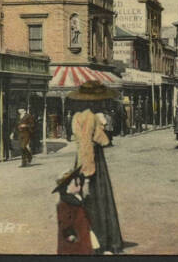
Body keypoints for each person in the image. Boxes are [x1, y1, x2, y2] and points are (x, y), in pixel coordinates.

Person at [69, 81, 124, 254]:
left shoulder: (78, 116)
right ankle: (101, 241)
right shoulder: (90, 117)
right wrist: (87, 173)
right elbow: (88, 144)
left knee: (85, 203)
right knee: (97, 201)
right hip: (92, 162)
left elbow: (94, 140)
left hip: (82, 159)